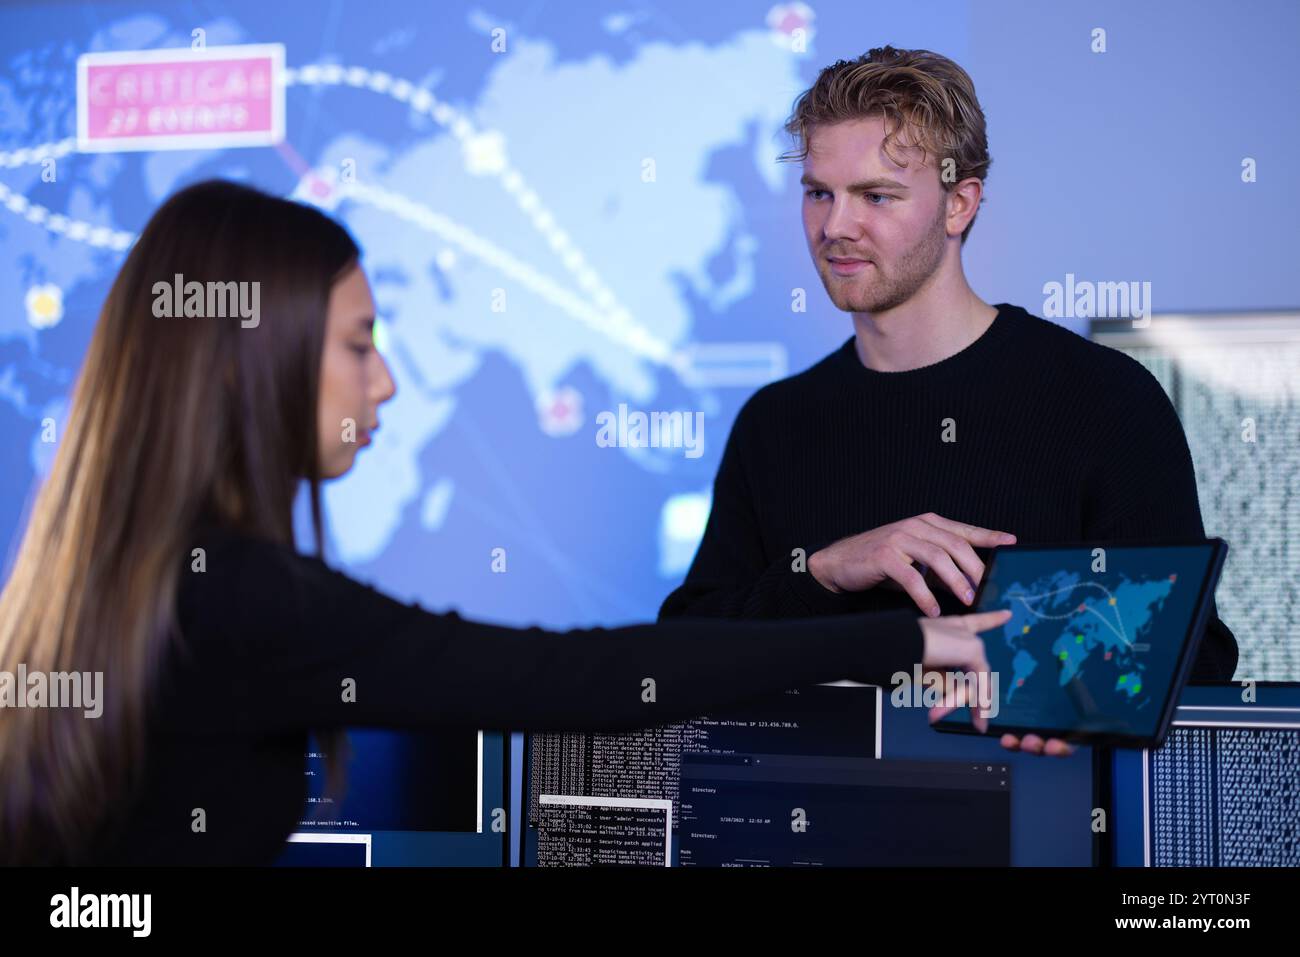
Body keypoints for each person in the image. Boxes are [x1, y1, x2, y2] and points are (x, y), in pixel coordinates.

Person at [0, 179, 1005, 866]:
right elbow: (577, 680)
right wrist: (905, 633)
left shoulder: (109, 582)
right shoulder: (241, 597)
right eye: (357, 345)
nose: (385, 382)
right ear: (250, 363)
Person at [659, 46, 1238, 758]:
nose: (836, 225)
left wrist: (1038, 679)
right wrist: (822, 570)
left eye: (876, 196)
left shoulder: (1102, 400)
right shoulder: (776, 423)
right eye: (819, 192)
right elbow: (681, 660)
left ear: (959, 202)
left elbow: (1198, 666)